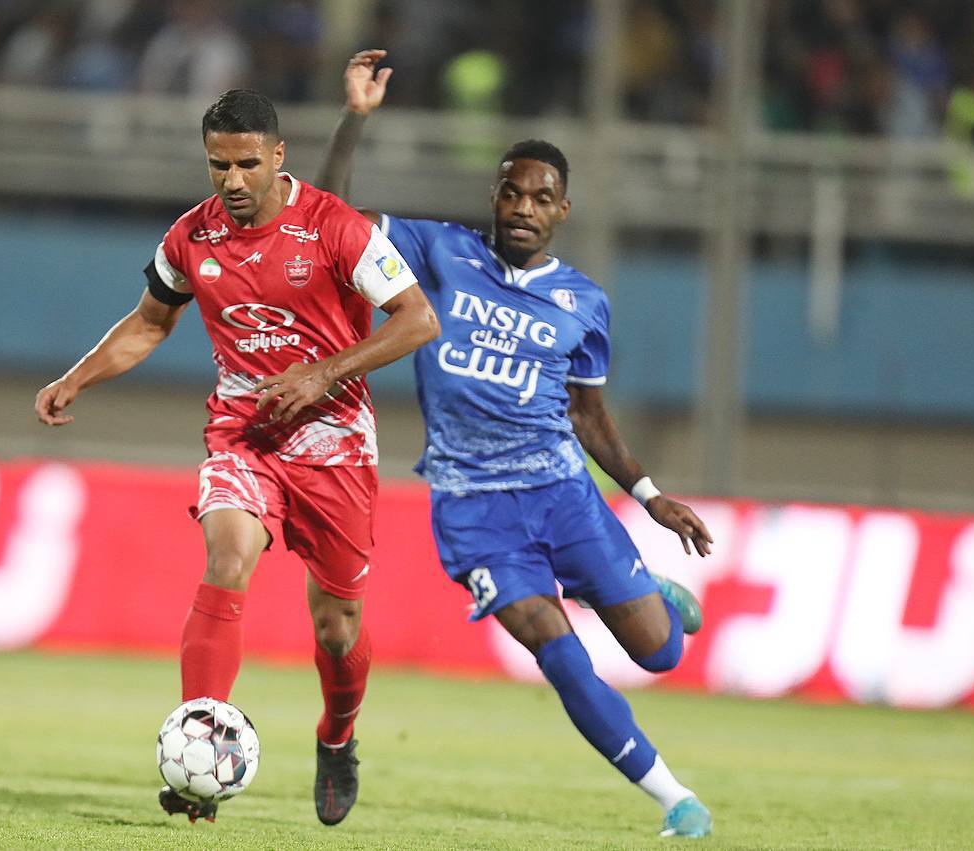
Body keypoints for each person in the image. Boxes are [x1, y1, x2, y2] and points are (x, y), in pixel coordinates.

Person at [316, 50, 715, 839]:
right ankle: (676, 797)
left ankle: (647, 595)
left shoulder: (583, 303)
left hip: (564, 495)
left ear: (562, 210)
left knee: (660, 653)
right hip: (474, 513)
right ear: (493, 197)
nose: (523, 207)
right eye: (511, 191)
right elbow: (332, 218)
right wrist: (355, 119)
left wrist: (649, 497)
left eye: (540, 197)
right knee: (558, 653)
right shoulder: (440, 254)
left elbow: (589, 415)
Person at [35, 87, 438, 826]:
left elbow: (418, 320)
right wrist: (77, 376)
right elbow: (149, 323)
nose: (232, 180)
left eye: (247, 164)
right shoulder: (191, 237)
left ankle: (337, 735)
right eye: (219, 165)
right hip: (243, 430)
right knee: (225, 559)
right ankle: (201, 753)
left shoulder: (335, 227)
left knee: (337, 627)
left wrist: (323, 372)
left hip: (334, 442)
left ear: (278, 157)